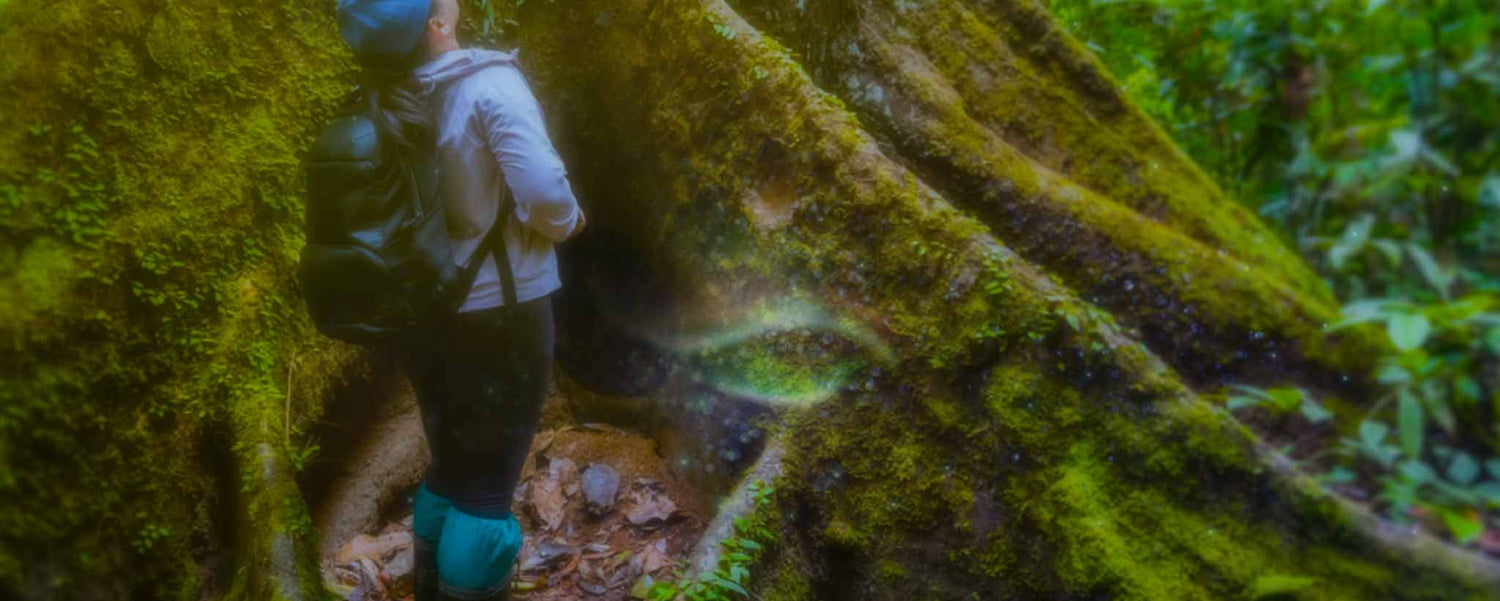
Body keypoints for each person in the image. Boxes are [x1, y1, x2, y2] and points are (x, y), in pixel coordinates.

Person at [336, 1, 585, 599]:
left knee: (449, 464)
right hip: (502, 316)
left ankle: (430, 585)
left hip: (422, 315)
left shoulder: (377, 97)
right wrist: (569, 221)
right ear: (436, 25)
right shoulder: (489, 83)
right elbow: (547, 193)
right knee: (487, 488)